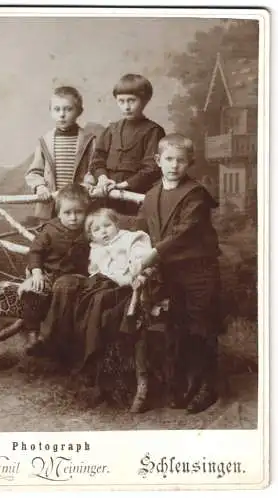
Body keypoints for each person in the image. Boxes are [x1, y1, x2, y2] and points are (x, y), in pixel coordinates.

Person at [134, 133, 223, 414]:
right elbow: (141, 229)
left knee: (201, 328)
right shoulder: (151, 195)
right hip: (170, 274)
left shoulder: (196, 194)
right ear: (158, 161)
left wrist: (152, 254)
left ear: (189, 163)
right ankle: (182, 385)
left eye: (181, 160)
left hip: (199, 272)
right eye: (169, 159)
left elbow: (183, 233)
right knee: (176, 328)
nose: (174, 165)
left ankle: (207, 386)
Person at [18, 183, 91, 353]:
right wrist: (36, 273)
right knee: (33, 291)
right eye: (67, 213)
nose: (73, 218)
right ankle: (32, 334)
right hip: (50, 274)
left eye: (78, 212)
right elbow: (35, 252)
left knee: (63, 287)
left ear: (86, 212)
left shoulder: (88, 231)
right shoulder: (50, 230)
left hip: (76, 276)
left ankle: (48, 336)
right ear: (58, 213)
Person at [89, 73, 165, 213]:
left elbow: (152, 168)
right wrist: (103, 179)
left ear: (145, 100)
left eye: (131, 100)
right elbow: (97, 160)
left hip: (134, 196)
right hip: (106, 192)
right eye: (121, 101)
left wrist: (123, 185)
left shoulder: (153, 131)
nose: (126, 106)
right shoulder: (111, 130)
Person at [25, 86, 95, 220]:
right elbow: (34, 172)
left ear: (79, 111)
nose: (62, 114)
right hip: (52, 205)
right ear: (51, 112)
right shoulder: (44, 141)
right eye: (57, 109)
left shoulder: (89, 140)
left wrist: (89, 183)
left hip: (79, 206)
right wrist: (40, 186)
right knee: (52, 237)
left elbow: (93, 169)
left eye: (68, 109)